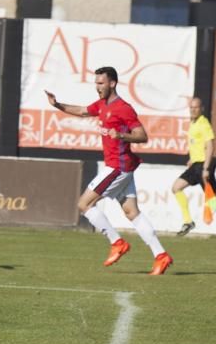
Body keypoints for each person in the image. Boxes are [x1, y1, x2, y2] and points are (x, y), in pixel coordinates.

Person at [45, 66, 173, 275]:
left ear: (112, 83)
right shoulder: (102, 105)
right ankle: (161, 256)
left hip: (118, 167)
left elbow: (142, 136)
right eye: (96, 83)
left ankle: (117, 242)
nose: (98, 87)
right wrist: (57, 104)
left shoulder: (123, 108)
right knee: (132, 212)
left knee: (84, 204)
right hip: (121, 167)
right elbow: (82, 111)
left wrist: (121, 136)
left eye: (101, 83)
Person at [172, 96, 216, 235]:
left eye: (196, 108)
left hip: (204, 165)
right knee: (176, 188)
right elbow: (197, 145)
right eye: (191, 108)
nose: (193, 110)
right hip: (196, 165)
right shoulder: (193, 122)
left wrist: (206, 168)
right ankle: (188, 222)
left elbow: (210, 146)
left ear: (202, 109)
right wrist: (192, 159)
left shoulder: (204, 123)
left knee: (214, 199)